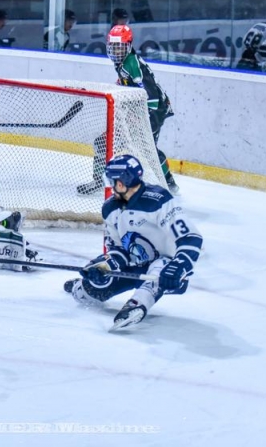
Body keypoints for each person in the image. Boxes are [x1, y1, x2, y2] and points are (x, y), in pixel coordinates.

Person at [65, 154, 203, 330]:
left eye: (111, 181)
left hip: (169, 271)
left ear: (121, 183)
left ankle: (137, 304)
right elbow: (117, 249)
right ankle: (80, 286)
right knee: (88, 292)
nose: (110, 186)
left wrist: (180, 265)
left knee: (160, 269)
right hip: (134, 265)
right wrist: (105, 266)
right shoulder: (110, 208)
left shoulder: (159, 200)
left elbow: (191, 237)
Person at [77, 24, 179, 195]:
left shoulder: (133, 64)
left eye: (120, 47)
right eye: (113, 47)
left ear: (129, 45)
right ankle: (99, 180)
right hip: (140, 110)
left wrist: (143, 120)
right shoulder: (124, 62)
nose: (116, 51)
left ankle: (168, 183)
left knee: (148, 150)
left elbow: (151, 96)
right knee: (103, 142)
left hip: (154, 110)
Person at [236, 5, 266, 72]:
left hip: (242, 62)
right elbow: (265, 49)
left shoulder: (258, 25)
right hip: (254, 66)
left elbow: (244, 40)